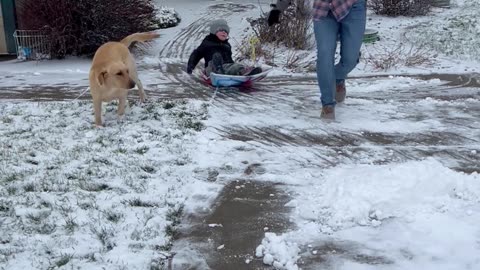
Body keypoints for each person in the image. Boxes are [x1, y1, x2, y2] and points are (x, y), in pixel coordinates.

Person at [268, 0, 366, 120]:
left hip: (354, 7)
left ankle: (337, 77)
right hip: (324, 10)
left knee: (350, 59)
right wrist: (279, 8)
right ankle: (327, 105)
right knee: (325, 54)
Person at [187, 19, 262, 76]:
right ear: (214, 31)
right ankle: (228, 71)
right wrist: (190, 67)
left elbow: (229, 60)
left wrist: (233, 64)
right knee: (217, 57)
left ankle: (243, 72)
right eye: (221, 30)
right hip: (212, 69)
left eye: (226, 31)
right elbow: (196, 54)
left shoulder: (227, 45)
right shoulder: (207, 43)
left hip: (226, 68)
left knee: (234, 66)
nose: (224, 32)